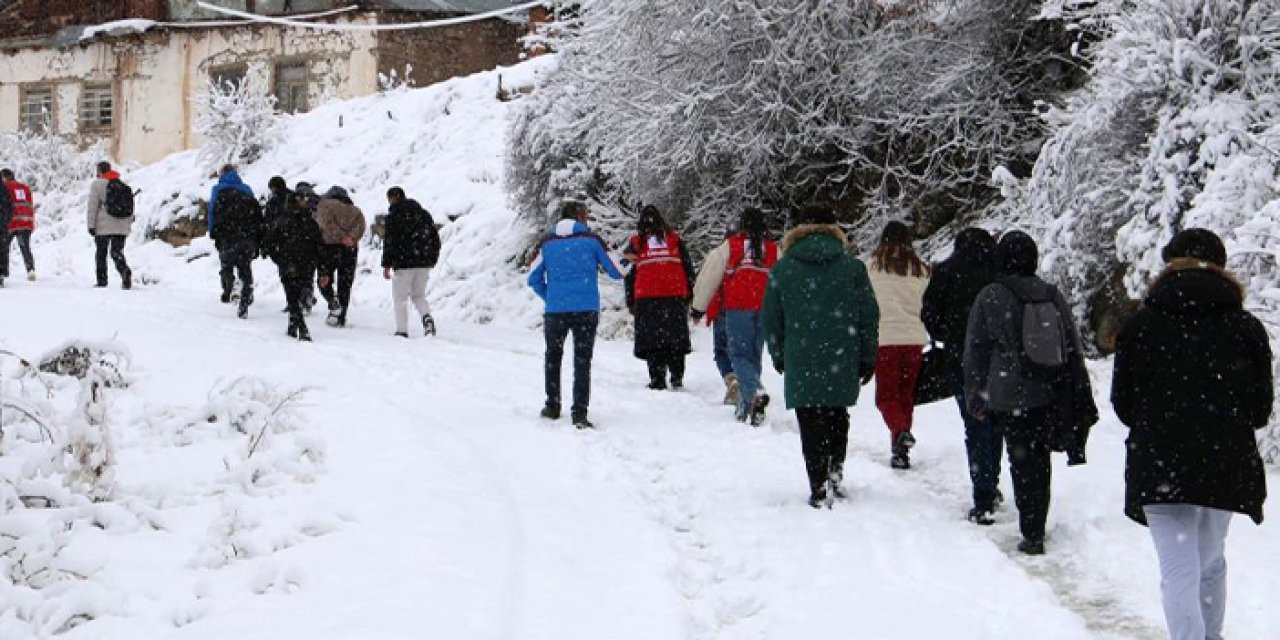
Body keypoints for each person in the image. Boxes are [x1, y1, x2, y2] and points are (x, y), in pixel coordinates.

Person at [1111, 229, 1271, 640]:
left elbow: (1124, 403)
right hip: (1225, 459)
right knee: (1212, 561)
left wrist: (1160, 423)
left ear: (1169, 265)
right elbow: (1260, 409)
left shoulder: (1140, 326)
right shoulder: (1246, 327)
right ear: (1221, 266)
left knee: (1178, 570)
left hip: (1160, 460)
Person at [963, 231, 1094, 555]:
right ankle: (1037, 522)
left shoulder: (991, 295)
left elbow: (976, 348)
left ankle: (1030, 528)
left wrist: (975, 393)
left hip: (1009, 390)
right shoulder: (1051, 293)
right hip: (1049, 388)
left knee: (1019, 456)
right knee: (1039, 458)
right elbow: (1071, 343)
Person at [763, 204, 879, 508]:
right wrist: (868, 355)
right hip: (843, 353)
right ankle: (834, 474)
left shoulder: (783, 269)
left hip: (801, 355)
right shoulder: (852, 268)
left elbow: (772, 318)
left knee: (810, 418)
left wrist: (778, 354)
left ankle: (817, 482)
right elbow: (869, 315)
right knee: (837, 415)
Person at [922, 228, 1002, 523]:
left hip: (961, 359)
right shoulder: (1000, 269)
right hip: (998, 358)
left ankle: (983, 495)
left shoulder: (946, 271)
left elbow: (929, 312)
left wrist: (947, 336)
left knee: (975, 424)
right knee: (996, 422)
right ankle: (992, 483)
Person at [527, 201, 624, 429]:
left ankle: (552, 405)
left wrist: (550, 295)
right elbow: (617, 271)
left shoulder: (547, 243)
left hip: (555, 311)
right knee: (582, 361)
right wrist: (628, 260)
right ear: (580, 216)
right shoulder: (591, 240)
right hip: (585, 308)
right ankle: (579, 413)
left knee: (553, 357)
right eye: (586, 215)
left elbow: (533, 277)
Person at [692, 207, 779, 425]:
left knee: (739, 355)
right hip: (764, 307)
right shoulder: (772, 249)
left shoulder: (731, 247)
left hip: (738, 306)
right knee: (754, 355)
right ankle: (747, 406)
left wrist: (698, 306)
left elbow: (709, 276)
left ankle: (754, 392)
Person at [866, 221, 930, 469]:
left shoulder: (872, 268)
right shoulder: (920, 270)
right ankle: (900, 451)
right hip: (913, 339)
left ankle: (900, 431)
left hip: (885, 339)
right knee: (905, 397)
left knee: (886, 397)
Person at [624, 205, 695, 390]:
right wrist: (689, 293)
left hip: (647, 298)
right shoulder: (674, 239)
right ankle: (677, 376)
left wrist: (630, 299)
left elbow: (628, 272)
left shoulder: (637, 242)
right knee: (676, 338)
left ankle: (657, 378)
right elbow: (688, 267)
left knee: (653, 340)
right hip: (674, 295)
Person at [262, 184, 323, 341]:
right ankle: (296, 326)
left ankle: (299, 327)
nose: (305, 202)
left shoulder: (283, 221)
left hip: (291, 263)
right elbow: (319, 246)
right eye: (302, 199)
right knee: (296, 294)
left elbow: (269, 243)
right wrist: (317, 264)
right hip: (304, 264)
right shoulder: (309, 222)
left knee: (292, 296)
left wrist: (279, 258)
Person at [381, 187, 441, 338]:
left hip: (403, 263)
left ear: (391, 198)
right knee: (418, 296)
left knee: (400, 298)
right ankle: (427, 318)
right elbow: (434, 238)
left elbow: (390, 242)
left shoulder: (393, 216)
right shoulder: (423, 214)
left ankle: (402, 330)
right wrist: (432, 258)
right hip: (423, 262)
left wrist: (387, 264)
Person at [208, 165, 261, 317]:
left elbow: (212, 211)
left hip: (227, 235)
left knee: (226, 264)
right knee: (245, 266)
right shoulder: (246, 189)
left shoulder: (218, 189)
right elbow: (255, 213)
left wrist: (213, 231)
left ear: (222, 174)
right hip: (246, 235)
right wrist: (257, 236)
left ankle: (228, 291)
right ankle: (247, 294)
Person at [315, 186, 366, 327]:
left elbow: (326, 225)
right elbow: (361, 227)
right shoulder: (356, 211)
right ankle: (341, 317)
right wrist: (350, 238)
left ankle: (333, 302)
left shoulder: (325, 205)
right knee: (345, 283)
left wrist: (340, 237)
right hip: (350, 250)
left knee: (324, 280)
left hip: (328, 248)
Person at [86, 161, 133, 289]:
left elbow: (93, 207)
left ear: (99, 171)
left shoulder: (97, 185)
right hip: (121, 226)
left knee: (101, 253)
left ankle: (102, 280)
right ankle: (124, 271)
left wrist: (91, 225)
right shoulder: (122, 185)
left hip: (103, 227)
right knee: (116, 251)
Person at [2, 169, 36, 283]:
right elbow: (30, 204)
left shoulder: (5, 187)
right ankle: (30, 269)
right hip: (26, 221)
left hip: (11, 222)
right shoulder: (25, 187)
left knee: (4, 247)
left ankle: (3, 271)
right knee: (25, 247)